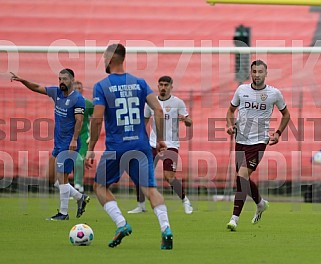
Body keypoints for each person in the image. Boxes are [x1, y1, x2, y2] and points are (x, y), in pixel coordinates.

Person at [84, 43, 173, 249]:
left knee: (99, 186)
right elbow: (158, 111)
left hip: (116, 147)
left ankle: (121, 224)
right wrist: (159, 139)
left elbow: (97, 119)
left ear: (112, 58)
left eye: (105, 56)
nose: (103, 60)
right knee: (150, 189)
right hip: (140, 145)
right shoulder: (140, 83)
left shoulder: (102, 86)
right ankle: (166, 228)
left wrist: (90, 148)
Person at [10, 69, 90, 220]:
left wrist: (74, 140)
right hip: (58, 143)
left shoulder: (78, 99)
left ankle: (64, 213)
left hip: (69, 144)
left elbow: (79, 121)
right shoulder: (56, 93)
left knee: (62, 177)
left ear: (72, 80)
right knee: (55, 179)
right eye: (60, 78)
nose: (61, 82)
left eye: (65, 79)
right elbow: (36, 87)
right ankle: (80, 197)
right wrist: (22, 80)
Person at [225, 60, 290, 231]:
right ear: (251, 73)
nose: (257, 75)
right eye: (254, 71)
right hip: (241, 140)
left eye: (260, 72)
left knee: (242, 176)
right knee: (241, 180)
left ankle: (234, 219)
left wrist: (277, 133)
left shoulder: (274, 93)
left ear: (266, 73)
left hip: (260, 141)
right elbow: (230, 111)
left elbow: (286, 115)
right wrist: (230, 125)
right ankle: (260, 203)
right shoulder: (242, 90)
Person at [128, 75, 193, 214]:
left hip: (171, 145)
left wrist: (185, 120)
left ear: (171, 87)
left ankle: (185, 201)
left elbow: (189, 122)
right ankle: (141, 205)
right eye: (161, 85)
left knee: (169, 177)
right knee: (142, 173)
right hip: (152, 144)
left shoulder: (178, 103)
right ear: (158, 86)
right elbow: (143, 122)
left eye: (166, 85)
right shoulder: (150, 103)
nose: (163, 87)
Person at [73, 80, 94, 193]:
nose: (77, 89)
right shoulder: (67, 103)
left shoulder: (88, 103)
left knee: (80, 159)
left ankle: (78, 185)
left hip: (83, 136)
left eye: (79, 88)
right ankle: (69, 186)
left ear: (82, 89)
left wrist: (92, 136)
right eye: (75, 87)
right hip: (70, 137)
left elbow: (96, 117)